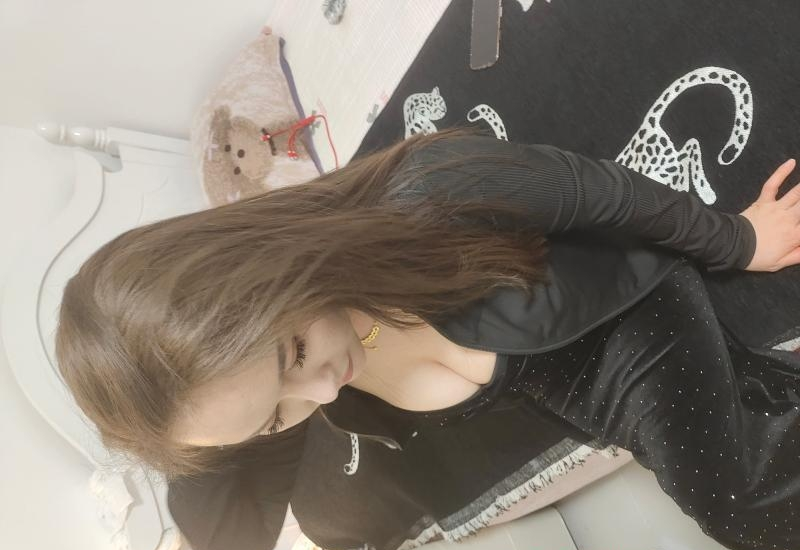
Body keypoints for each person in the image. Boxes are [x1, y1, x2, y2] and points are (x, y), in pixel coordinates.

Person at [55, 125, 800, 550]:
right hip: (574, 395)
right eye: (277, 417)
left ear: (267, 268)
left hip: (623, 312)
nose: (324, 390)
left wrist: (737, 240)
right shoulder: (294, 390)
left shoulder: (433, 190)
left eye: (295, 355)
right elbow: (221, 524)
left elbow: (598, 193)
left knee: (735, 502)